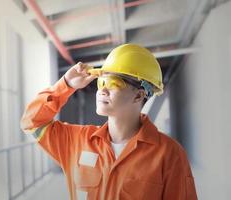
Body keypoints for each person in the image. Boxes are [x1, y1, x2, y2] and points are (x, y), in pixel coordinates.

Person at [21, 44, 198, 200]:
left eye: (113, 83)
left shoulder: (169, 154)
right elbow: (31, 121)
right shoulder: (76, 142)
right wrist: (66, 84)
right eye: (101, 82)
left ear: (138, 95)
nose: (102, 90)